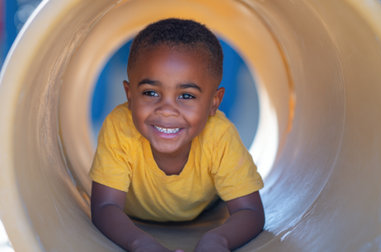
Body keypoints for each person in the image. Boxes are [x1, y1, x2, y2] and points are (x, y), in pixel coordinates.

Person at [89, 18, 264, 252]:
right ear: (129, 96)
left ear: (214, 103)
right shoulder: (120, 128)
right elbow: (104, 206)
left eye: (187, 96)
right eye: (151, 92)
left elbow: (250, 211)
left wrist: (217, 241)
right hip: (135, 218)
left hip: (206, 211)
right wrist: (140, 243)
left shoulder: (219, 135)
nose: (167, 109)